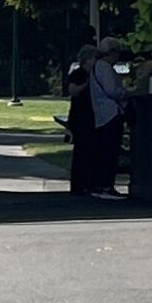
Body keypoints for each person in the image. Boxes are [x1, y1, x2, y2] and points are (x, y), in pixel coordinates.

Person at [87, 36, 132, 200]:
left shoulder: (97, 67)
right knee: (109, 151)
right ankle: (106, 186)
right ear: (111, 53)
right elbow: (112, 90)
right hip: (110, 114)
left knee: (104, 151)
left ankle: (100, 185)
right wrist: (128, 92)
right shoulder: (104, 68)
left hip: (102, 114)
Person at [64, 44, 97, 194]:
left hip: (91, 116)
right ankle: (78, 184)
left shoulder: (95, 75)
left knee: (90, 151)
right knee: (81, 151)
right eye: (94, 58)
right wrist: (86, 85)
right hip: (80, 116)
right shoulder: (78, 74)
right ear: (86, 59)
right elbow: (73, 91)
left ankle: (88, 182)